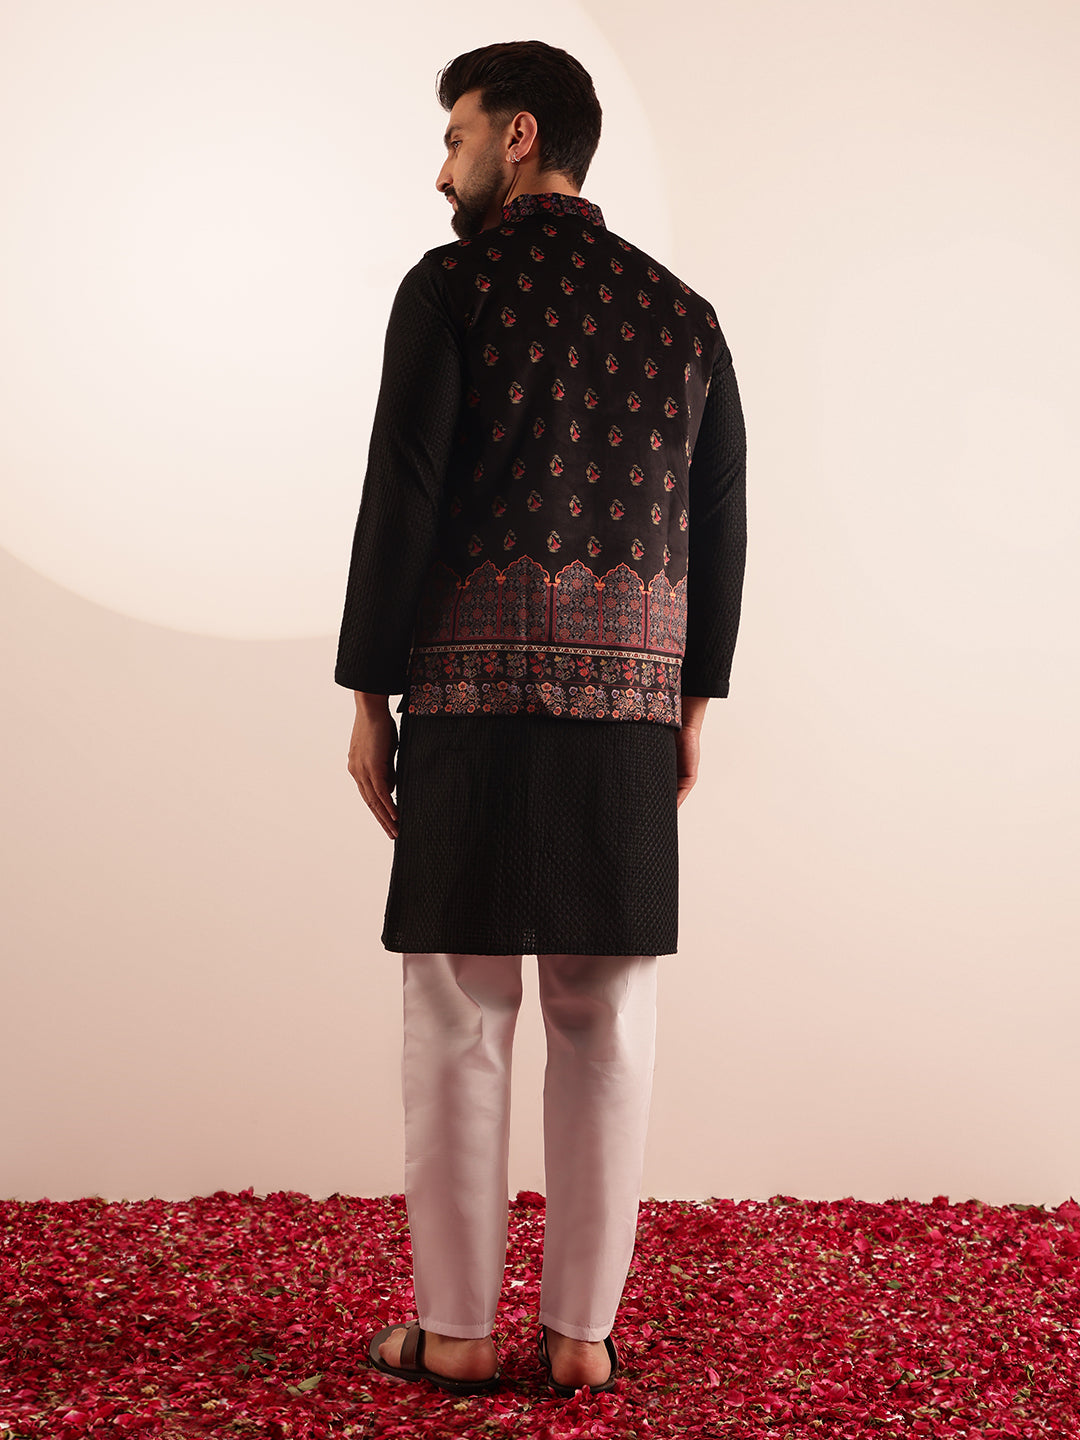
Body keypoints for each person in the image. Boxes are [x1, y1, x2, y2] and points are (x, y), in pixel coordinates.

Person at [334, 40, 747, 1398]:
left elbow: (402, 489)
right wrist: (692, 701)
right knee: (606, 1012)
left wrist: (367, 692)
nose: (440, 168)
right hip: (626, 708)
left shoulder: (449, 288)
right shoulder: (684, 317)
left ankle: (457, 1331)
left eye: (454, 136)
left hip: (468, 699)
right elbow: (720, 523)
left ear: (518, 137)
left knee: (460, 1006)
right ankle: (580, 1339)